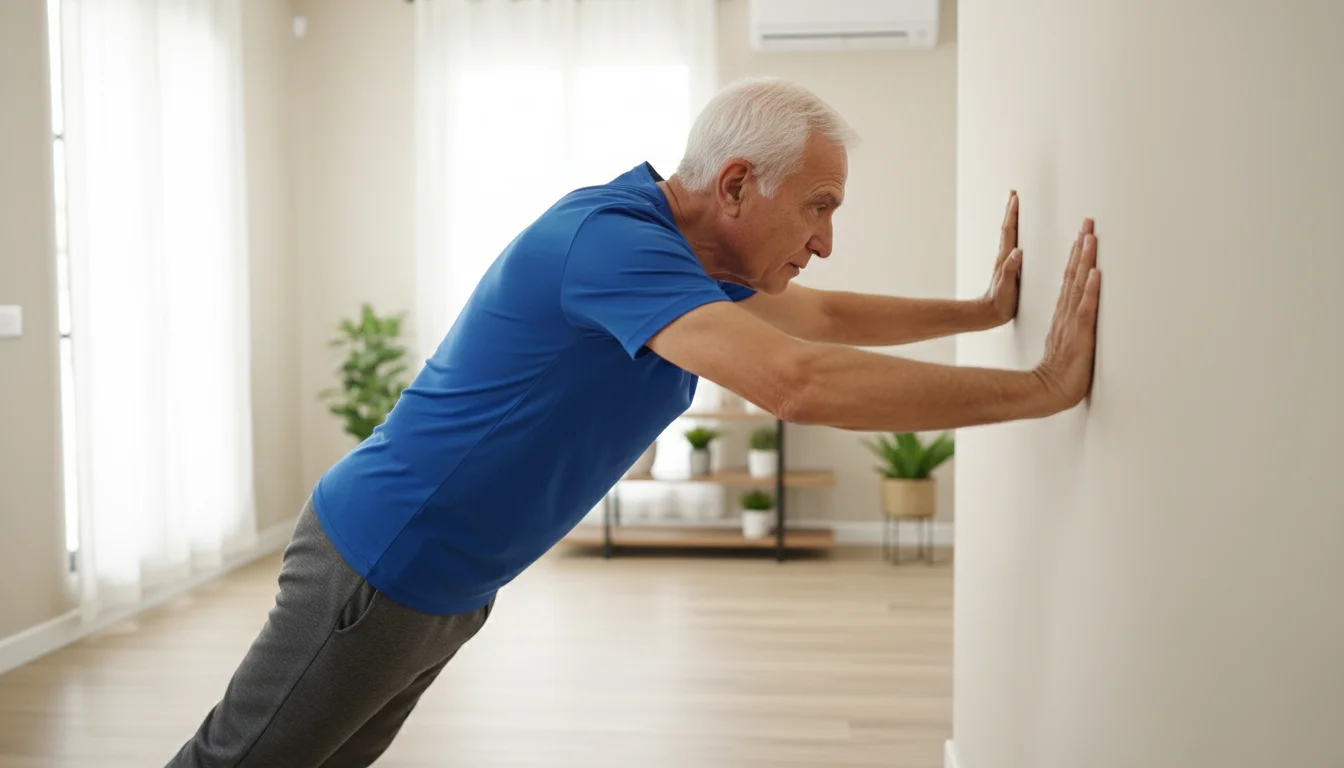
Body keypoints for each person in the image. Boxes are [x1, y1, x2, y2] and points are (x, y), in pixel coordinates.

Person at [169, 76, 1101, 767]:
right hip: (379, 564)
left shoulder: (690, 258)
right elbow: (797, 381)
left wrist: (978, 313)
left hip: (445, 584)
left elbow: (819, 316)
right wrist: (1040, 387)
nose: (824, 239)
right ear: (737, 184)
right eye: (818, 208)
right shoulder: (612, 244)